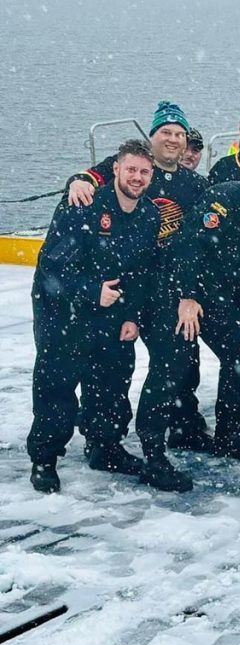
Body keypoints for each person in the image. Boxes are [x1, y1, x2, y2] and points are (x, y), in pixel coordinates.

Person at [134, 145, 240, 491]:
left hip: (220, 299)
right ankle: (152, 453)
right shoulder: (225, 197)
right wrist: (187, 296)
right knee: (171, 366)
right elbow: (189, 246)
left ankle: (228, 434)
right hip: (178, 293)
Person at [66, 101, 212, 452]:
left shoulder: (196, 185)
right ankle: (101, 437)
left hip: (171, 288)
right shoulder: (138, 170)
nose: (173, 139)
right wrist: (79, 180)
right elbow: (95, 175)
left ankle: (181, 424)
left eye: (179, 134)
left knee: (181, 360)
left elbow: (203, 242)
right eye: (166, 132)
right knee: (111, 366)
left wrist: (190, 293)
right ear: (152, 136)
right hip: (128, 284)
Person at [28, 140, 161, 493]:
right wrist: (90, 291)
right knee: (57, 383)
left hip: (113, 307)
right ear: (115, 170)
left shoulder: (150, 215)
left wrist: (132, 315)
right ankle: (44, 458)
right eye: (130, 169)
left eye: (144, 172)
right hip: (64, 308)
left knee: (113, 379)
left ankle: (105, 446)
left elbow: (142, 271)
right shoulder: (83, 205)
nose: (137, 177)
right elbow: (51, 266)